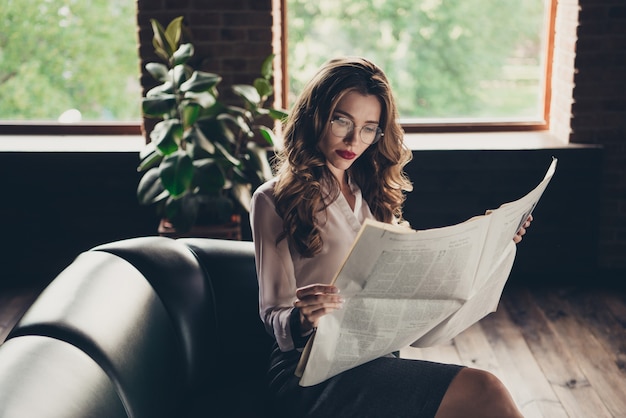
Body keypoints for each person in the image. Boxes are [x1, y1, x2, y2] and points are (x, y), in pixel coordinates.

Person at [250, 57, 530, 418]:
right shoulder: (272, 199)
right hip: (307, 372)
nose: (355, 140)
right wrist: (303, 318)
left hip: (374, 357)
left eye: (369, 128)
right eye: (342, 121)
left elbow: (425, 285)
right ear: (316, 116)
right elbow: (273, 312)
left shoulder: (372, 194)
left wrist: (493, 242)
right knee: (484, 389)